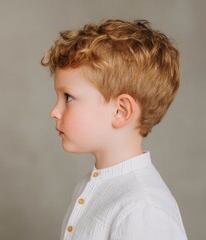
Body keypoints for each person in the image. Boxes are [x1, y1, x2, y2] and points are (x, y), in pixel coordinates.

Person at [41, 19, 187, 239]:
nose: (54, 111)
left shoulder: (143, 210)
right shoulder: (87, 186)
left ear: (121, 111)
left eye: (68, 97)